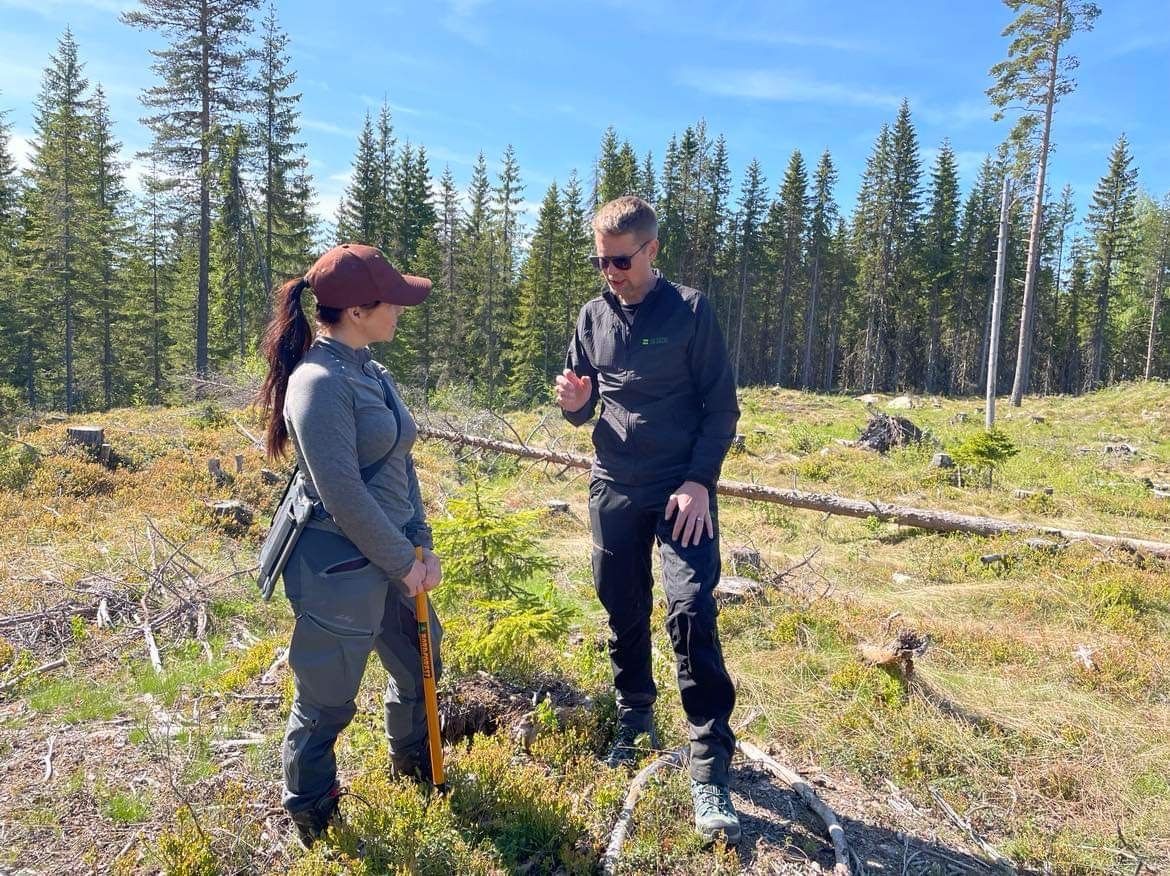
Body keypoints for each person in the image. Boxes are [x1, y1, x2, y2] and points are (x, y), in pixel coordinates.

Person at [556, 196, 743, 845]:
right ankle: (635, 718)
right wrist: (576, 405)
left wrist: (698, 482)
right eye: (599, 260)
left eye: (620, 260)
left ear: (651, 250)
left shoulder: (690, 311)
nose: (609, 271)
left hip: (679, 491)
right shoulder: (592, 316)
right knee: (621, 606)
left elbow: (722, 409)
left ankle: (710, 763)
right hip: (613, 486)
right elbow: (579, 406)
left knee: (690, 609)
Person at [258, 243, 443, 849]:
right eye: (392, 300)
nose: (401, 309)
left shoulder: (370, 370)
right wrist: (400, 561)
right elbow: (341, 491)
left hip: (391, 553)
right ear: (359, 311)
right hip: (337, 561)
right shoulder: (317, 382)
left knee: (422, 663)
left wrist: (419, 544)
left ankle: (414, 766)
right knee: (329, 695)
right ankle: (313, 811)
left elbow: (399, 466)